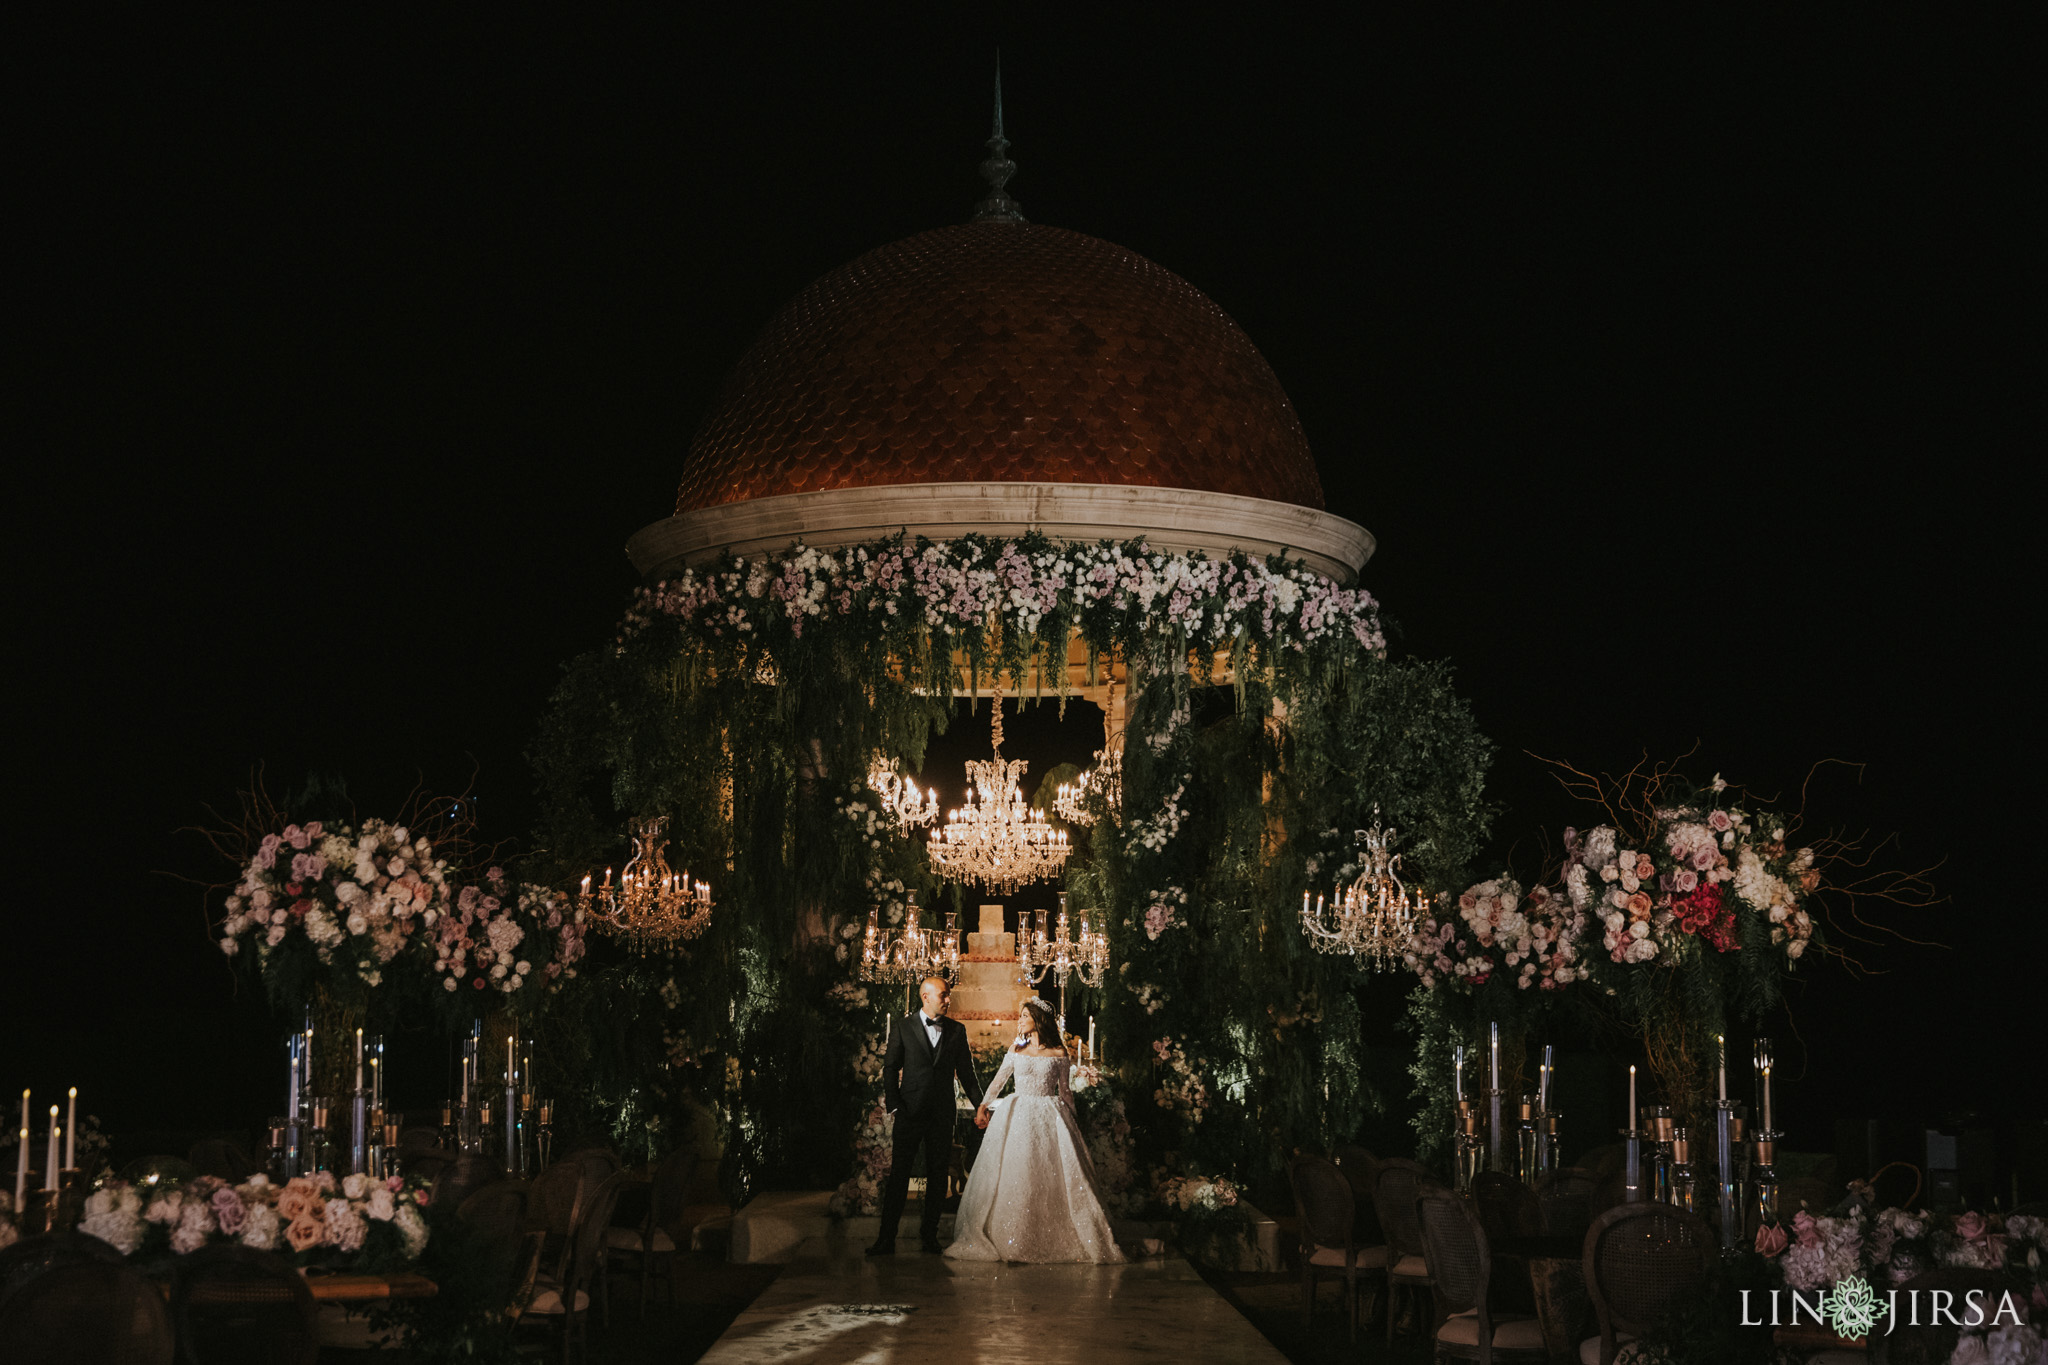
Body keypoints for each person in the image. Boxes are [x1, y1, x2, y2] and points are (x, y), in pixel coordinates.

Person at [944, 995, 1123, 1263]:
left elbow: (1065, 1091)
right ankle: (1009, 1235)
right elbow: (998, 1080)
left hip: (1050, 1115)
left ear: (1039, 1020)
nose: (1020, 1020)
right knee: (1017, 1170)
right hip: (1017, 1113)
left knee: (1048, 1172)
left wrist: (1072, 1119)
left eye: (1025, 1016)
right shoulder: (1016, 1048)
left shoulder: (1059, 1053)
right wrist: (983, 1106)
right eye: (1021, 1016)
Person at [868, 976, 985, 1256]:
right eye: (944, 995)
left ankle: (929, 1238)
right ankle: (886, 1239)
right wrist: (894, 1104)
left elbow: (967, 1074)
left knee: (937, 1177)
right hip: (909, 1112)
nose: (948, 999)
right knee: (899, 1176)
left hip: (942, 1114)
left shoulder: (957, 1030)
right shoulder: (903, 1027)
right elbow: (890, 1068)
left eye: (948, 995)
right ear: (926, 996)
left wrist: (981, 1105)